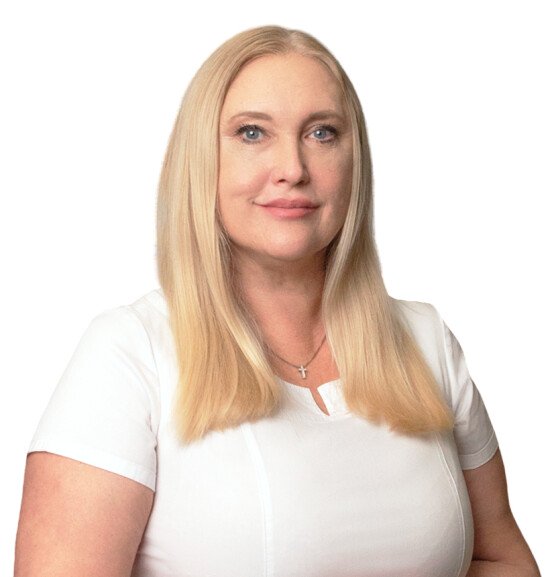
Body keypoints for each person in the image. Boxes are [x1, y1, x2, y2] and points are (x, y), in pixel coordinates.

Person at [15, 25, 539, 577]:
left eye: (322, 133)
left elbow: (500, 559)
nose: (292, 168)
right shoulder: (130, 355)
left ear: (355, 160)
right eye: (251, 133)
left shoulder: (425, 341)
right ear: (201, 161)